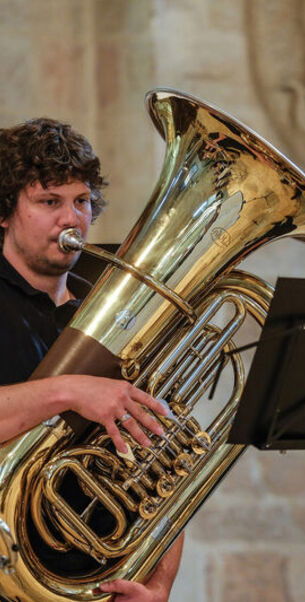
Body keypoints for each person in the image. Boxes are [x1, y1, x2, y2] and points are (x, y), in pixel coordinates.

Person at [0, 118, 183, 601]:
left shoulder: (114, 314)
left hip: (98, 582)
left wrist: (158, 584)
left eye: (81, 201)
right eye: (49, 202)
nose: (71, 219)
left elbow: (163, 468)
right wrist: (70, 390)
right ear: (5, 212)